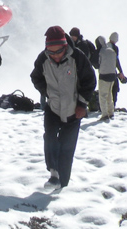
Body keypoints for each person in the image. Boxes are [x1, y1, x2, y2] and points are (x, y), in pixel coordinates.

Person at [30, 25, 96, 192]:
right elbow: (35, 77)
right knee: (50, 138)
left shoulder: (78, 58)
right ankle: (53, 174)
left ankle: (63, 185)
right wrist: (47, 93)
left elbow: (90, 81)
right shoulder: (43, 59)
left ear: (64, 46)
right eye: (51, 52)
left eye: (58, 52)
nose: (55, 56)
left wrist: (82, 104)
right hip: (53, 108)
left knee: (67, 147)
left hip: (74, 110)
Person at [94, 35, 127, 121]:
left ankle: (104, 114)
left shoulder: (100, 51)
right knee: (109, 95)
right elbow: (116, 62)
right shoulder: (112, 51)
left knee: (103, 95)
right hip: (112, 76)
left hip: (103, 76)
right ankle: (111, 112)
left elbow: (97, 65)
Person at [69, 27, 99, 111]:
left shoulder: (83, 45)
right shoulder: (71, 44)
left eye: (73, 35)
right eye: (71, 35)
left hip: (82, 71)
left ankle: (82, 109)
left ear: (77, 36)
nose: (72, 37)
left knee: (81, 89)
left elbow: (84, 60)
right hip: (73, 71)